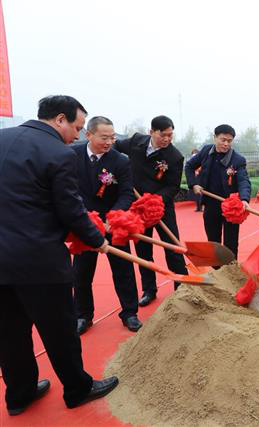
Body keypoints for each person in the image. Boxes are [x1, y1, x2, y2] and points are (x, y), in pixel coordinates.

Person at [0, 96, 118, 415]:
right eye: (78, 128)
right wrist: (97, 240)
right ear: (60, 119)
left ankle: (19, 394)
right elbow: (70, 209)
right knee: (60, 329)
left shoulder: (2, 138)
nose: (77, 136)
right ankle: (77, 388)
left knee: (9, 331)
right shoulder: (58, 153)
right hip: (38, 260)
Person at [70, 116, 142, 335]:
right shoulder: (71, 155)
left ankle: (130, 313)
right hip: (84, 223)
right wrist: (82, 216)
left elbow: (126, 193)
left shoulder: (120, 160)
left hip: (113, 225)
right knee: (81, 272)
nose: (109, 142)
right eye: (104, 137)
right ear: (88, 135)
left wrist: (113, 217)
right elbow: (66, 190)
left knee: (123, 269)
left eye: (112, 137)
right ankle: (83, 315)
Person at [115, 115, 188, 306]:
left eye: (170, 135)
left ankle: (182, 288)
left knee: (172, 247)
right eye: (163, 135)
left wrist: (154, 201)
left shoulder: (174, 156)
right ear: (151, 132)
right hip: (137, 207)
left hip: (161, 207)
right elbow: (114, 148)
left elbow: (173, 186)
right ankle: (149, 289)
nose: (167, 139)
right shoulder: (135, 141)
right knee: (143, 249)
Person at [185, 124, 251, 257]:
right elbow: (189, 166)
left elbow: (243, 181)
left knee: (231, 243)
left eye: (229, 141)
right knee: (213, 242)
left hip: (230, 207)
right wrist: (194, 184)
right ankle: (216, 269)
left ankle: (231, 269)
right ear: (214, 137)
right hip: (211, 204)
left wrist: (244, 199)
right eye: (223, 140)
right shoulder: (206, 151)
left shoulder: (238, 160)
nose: (226, 144)